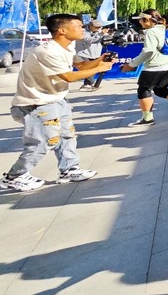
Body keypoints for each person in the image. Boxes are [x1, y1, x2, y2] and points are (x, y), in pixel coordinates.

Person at [1, 14, 111, 191]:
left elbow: (81, 66)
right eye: (78, 26)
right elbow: (68, 76)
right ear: (62, 30)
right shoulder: (47, 51)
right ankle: (14, 176)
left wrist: (100, 60)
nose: (83, 29)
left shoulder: (67, 47)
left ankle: (69, 169)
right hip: (37, 103)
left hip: (57, 99)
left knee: (67, 136)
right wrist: (99, 68)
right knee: (43, 141)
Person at [121, 9, 168, 126]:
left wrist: (131, 65)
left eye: (140, 20)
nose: (139, 22)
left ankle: (147, 118)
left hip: (154, 66)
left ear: (147, 20)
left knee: (143, 90)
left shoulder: (151, 32)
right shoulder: (166, 29)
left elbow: (148, 52)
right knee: (161, 91)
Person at [73, 19, 108, 91]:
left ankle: (86, 85)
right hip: (84, 53)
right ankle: (91, 83)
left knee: (93, 69)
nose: (98, 28)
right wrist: (101, 34)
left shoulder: (99, 31)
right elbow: (91, 40)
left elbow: (104, 39)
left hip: (95, 54)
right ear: (91, 26)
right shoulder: (83, 31)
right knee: (88, 69)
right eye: (96, 27)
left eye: (99, 27)